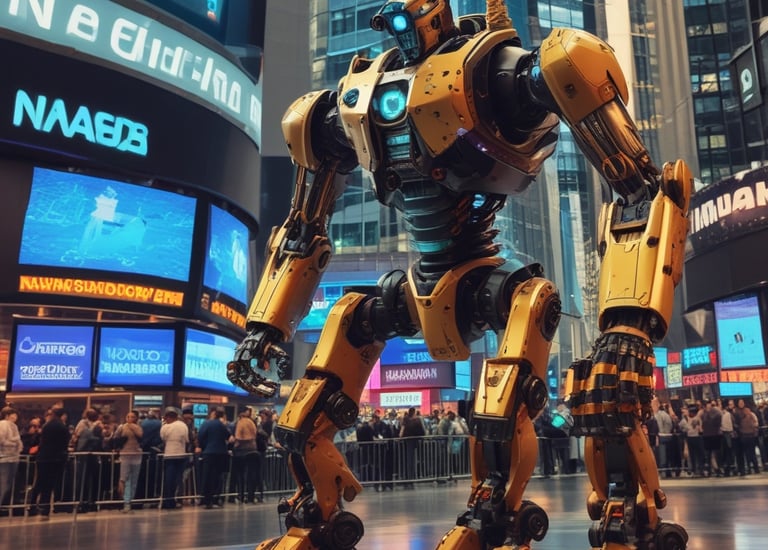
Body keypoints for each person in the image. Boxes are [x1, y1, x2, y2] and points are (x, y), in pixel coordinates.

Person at [225, 1, 691, 547]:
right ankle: (313, 514)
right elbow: (303, 228)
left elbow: (641, 189)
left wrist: (629, 325)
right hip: (416, 285)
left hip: (489, 284)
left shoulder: (502, 74)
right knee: (338, 341)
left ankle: (602, 510)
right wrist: (265, 326)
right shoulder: (348, 104)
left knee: (586, 382)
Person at [29, 408, 70, 519]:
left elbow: (42, 441)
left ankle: (32, 505)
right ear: (62, 415)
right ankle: (45, 508)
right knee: (49, 484)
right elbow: (65, 442)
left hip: (43, 457)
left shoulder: (46, 426)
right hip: (56, 458)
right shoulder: (62, 427)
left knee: (40, 482)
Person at [197, 407, 232, 508]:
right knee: (218, 477)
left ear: (213, 414)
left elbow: (200, 437)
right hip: (221, 453)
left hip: (209, 453)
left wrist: (203, 447)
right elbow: (229, 437)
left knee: (207, 476)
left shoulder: (206, 423)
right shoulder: (222, 425)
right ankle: (216, 499)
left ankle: (206, 500)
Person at [71, 408, 103, 513]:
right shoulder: (84, 424)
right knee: (82, 479)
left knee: (88, 479)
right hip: (83, 455)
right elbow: (86, 436)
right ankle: (80, 502)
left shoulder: (89, 425)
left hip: (88, 456)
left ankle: (88, 502)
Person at [159, 407, 188, 509]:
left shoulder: (165, 427)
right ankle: (177, 500)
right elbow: (186, 439)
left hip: (169, 455)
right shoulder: (183, 425)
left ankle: (168, 501)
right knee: (178, 479)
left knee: (168, 480)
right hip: (181, 454)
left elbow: (163, 438)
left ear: (168, 417)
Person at [116, 411, 143, 512]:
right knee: (125, 478)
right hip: (125, 455)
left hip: (136, 455)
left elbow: (140, 435)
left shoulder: (138, 428)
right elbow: (116, 438)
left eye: (132, 417)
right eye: (128, 416)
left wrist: (133, 427)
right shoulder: (122, 427)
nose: (130, 418)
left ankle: (130, 500)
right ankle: (126, 502)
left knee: (134, 480)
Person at [0, 407, 23, 511]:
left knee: (8, 483)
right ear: (7, 415)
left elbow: (19, 443)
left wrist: (16, 445)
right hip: (4, 457)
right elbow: (2, 440)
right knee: (3, 482)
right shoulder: (3, 424)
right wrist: (14, 443)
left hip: (13, 457)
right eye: (12, 414)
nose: (15, 416)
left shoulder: (14, 426)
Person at [399, 407, 425, 488]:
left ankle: (407, 479)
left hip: (406, 442)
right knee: (412, 461)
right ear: (414, 412)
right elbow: (422, 432)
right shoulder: (417, 420)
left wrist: (400, 437)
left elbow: (401, 432)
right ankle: (411, 479)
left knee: (407, 461)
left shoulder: (406, 419)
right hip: (415, 442)